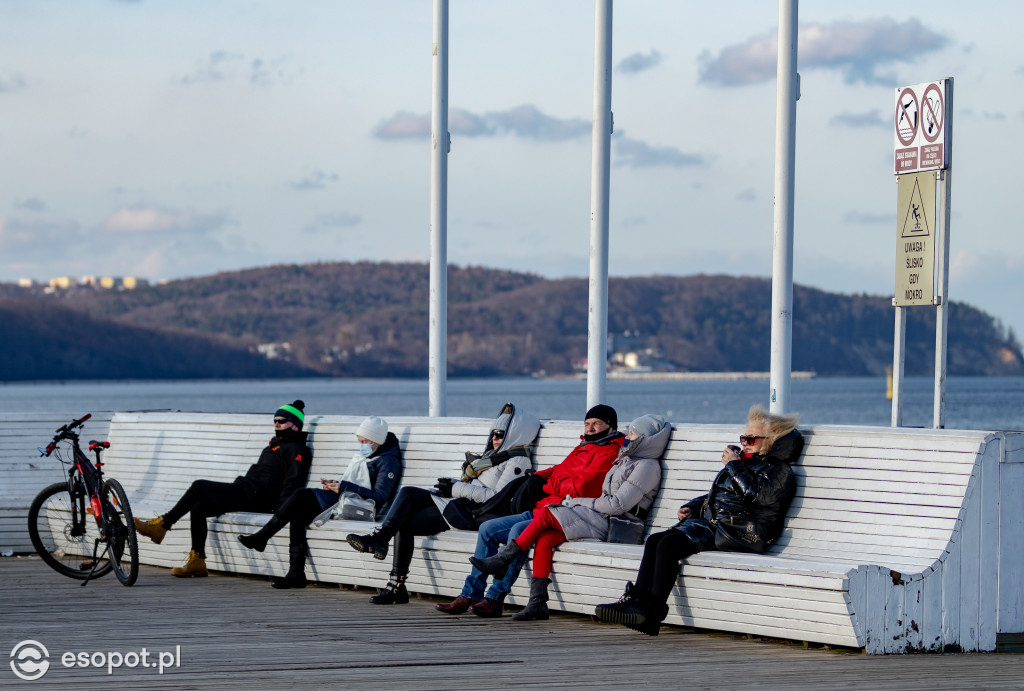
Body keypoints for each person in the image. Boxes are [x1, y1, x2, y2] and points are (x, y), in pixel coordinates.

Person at [594, 404, 803, 636]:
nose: (744, 443)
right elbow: (720, 495)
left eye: (751, 440)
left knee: (669, 546)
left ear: (772, 441)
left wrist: (733, 465)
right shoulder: (747, 464)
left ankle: (652, 611)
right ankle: (637, 601)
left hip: (743, 530)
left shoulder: (778, 470)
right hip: (721, 525)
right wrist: (692, 507)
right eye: (743, 438)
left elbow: (756, 497)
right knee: (655, 541)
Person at [473, 414, 670, 621]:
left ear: (646, 438)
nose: (628, 436)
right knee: (545, 538)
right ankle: (537, 602)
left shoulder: (646, 466)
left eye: (633, 433)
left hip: (618, 525)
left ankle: (504, 559)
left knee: (549, 513)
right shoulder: (627, 459)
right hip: (600, 517)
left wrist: (578, 502)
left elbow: (617, 505)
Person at [435, 404, 625, 618]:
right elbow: (560, 470)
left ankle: (495, 598)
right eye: (587, 424)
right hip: (542, 508)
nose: (590, 428)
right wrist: (538, 477)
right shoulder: (583, 446)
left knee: (517, 530)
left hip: (566, 513)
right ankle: (471, 594)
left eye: (596, 424)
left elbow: (582, 487)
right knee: (488, 528)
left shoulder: (610, 451)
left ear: (611, 427)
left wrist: (547, 486)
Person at [344, 403, 540, 604]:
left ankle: (381, 541)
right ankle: (395, 584)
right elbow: (476, 486)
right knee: (403, 519)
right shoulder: (493, 457)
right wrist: (453, 485)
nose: (494, 438)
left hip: (472, 512)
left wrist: (455, 488)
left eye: (500, 434)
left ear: (515, 434)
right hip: (460, 505)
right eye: (493, 434)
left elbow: (497, 497)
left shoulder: (517, 462)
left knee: (408, 494)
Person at [133, 400, 313, 579]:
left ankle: (163, 524)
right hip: (246, 491)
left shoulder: (296, 449)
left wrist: (281, 509)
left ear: (295, 425)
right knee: (199, 506)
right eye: (274, 421)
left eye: (281, 421)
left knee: (199, 486)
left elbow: (293, 482)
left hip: (258, 497)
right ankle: (197, 561)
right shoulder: (276, 445)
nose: (276, 424)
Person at [237, 415, 402, 589]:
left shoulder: (388, 461)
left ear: (377, 440)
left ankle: (262, 537)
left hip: (359, 507)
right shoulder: (371, 455)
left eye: (365, 441)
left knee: (301, 495)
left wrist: (343, 487)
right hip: (345, 500)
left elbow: (380, 496)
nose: (362, 446)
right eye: (359, 441)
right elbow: (356, 484)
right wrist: (335, 486)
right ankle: (296, 573)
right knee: (298, 513)